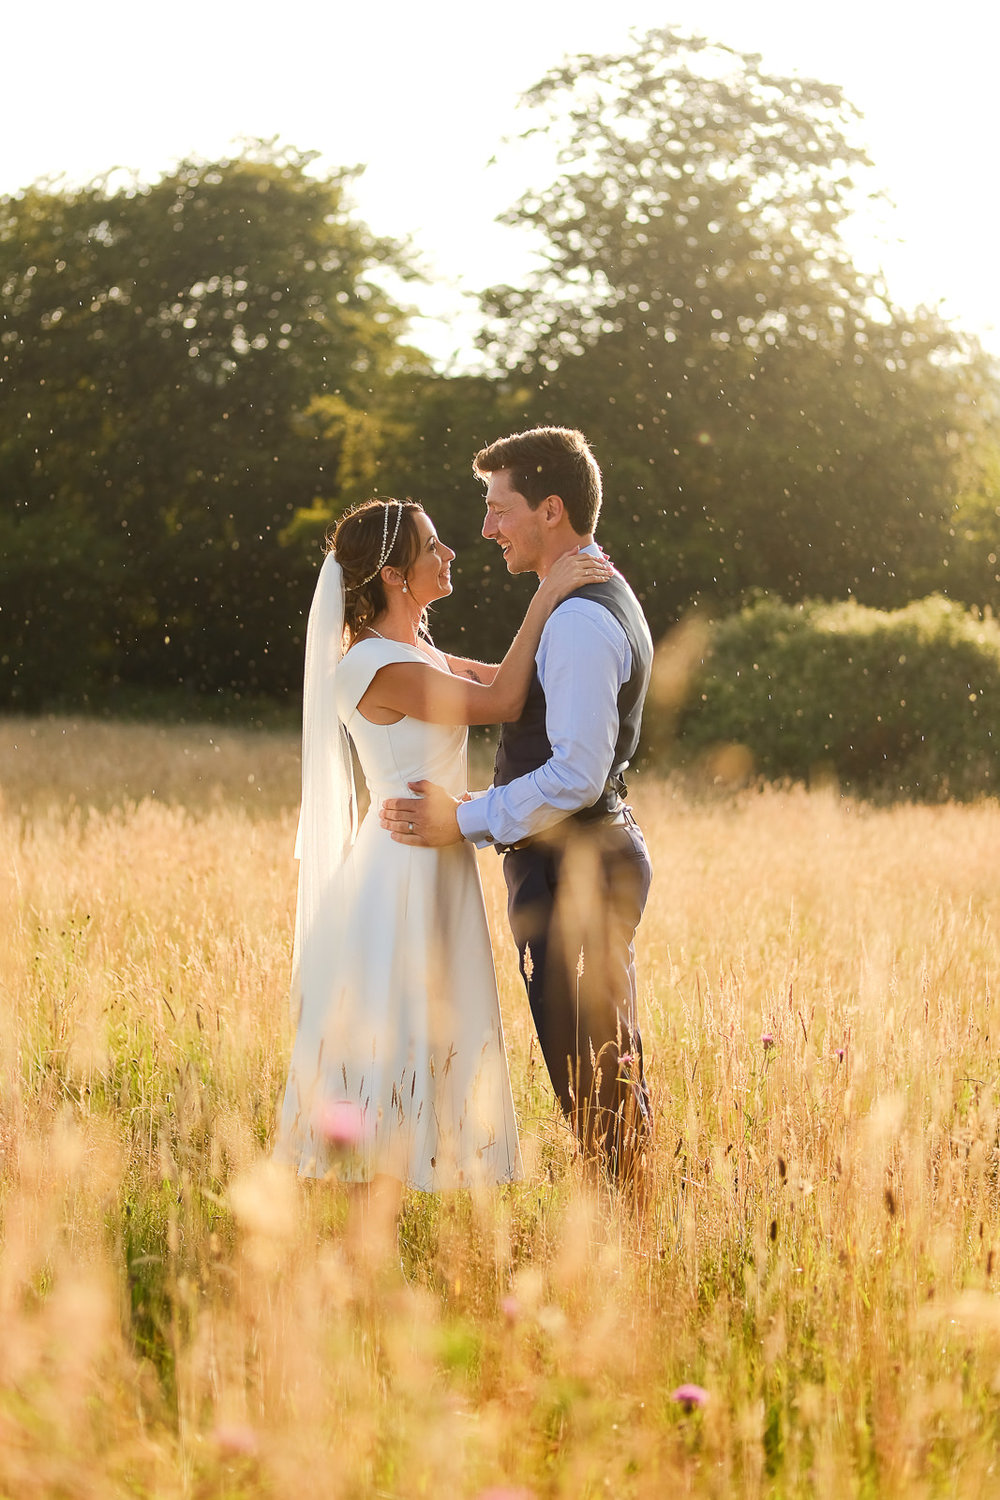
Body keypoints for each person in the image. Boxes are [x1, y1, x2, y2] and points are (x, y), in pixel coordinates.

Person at [275, 496, 611, 1215]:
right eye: (434, 546)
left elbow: (506, 688)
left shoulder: (417, 652)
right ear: (396, 576)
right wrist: (550, 591)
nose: (451, 553)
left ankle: (396, 1196)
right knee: (392, 1036)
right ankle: (364, 1209)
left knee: (429, 1032)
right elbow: (503, 700)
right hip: (400, 870)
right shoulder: (373, 666)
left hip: (437, 858)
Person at [380, 428, 654, 1185]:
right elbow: (506, 697)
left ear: (551, 510)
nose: (486, 528)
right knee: (599, 1062)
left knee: (594, 1070)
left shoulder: (578, 620)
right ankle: (633, 1213)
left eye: (499, 508)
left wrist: (462, 820)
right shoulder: (584, 599)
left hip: (577, 867)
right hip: (578, 858)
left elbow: (573, 777)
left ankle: (633, 1222)